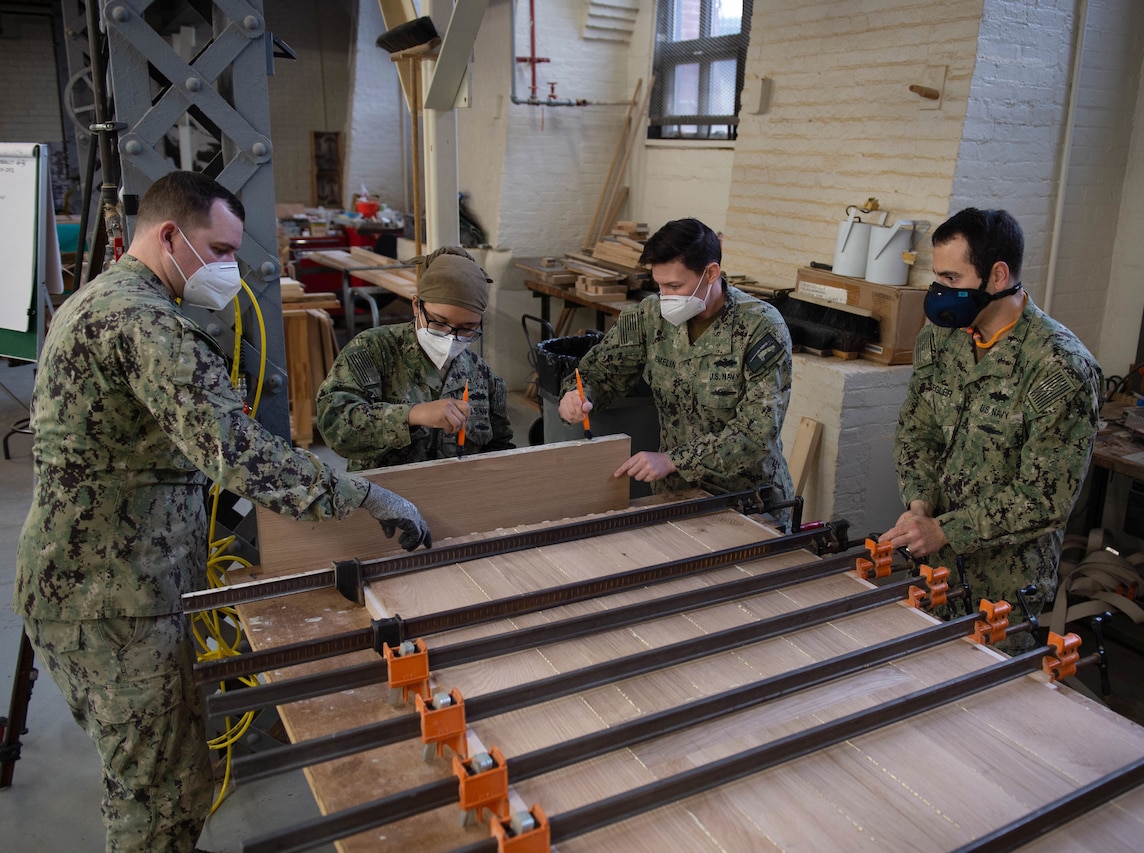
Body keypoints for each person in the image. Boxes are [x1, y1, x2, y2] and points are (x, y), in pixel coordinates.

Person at [13, 171, 431, 852]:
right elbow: (242, 455)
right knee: (159, 792)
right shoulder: (143, 322)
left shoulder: (98, 299)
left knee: (159, 774)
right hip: (110, 599)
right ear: (171, 234)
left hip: (105, 582)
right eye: (221, 248)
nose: (230, 268)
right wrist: (367, 497)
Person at [880, 207, 1102, 628]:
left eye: (952, 279)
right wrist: (919, 505)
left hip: (1004, 590)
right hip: (933, 569)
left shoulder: (1059, 367)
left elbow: (1045, 498)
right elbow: (916, 431)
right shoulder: (940, 338)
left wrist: (947, 530)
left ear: (998, 277)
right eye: (938, 277)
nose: (940, 291)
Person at [558, 218, 794, 521]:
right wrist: (577, 397)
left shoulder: (761, 328)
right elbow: (599, 373)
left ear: (711, 273)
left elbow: (757, 434)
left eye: (675, 285)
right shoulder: (647, 317)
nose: (665, 296)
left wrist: (673, 460)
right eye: (659, 285)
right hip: (676, 494)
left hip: (747, 500)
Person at [316, 246, 513, 471]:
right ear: (416, 305)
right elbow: (334, 428)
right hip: (385, 498)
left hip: (457, 495)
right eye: (439, 323)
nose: (451, 337)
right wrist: (411, 415)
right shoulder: (372, 351)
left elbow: (500, 449)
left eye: (467, 329)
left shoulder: (483, 377)